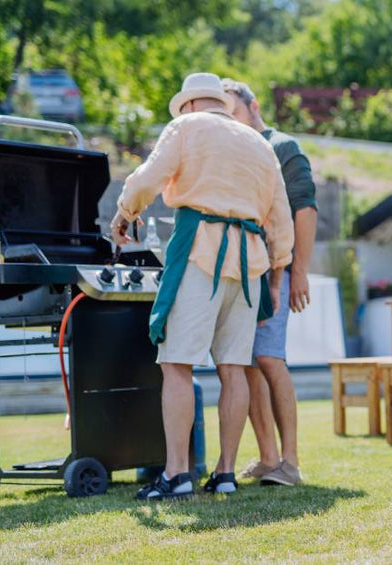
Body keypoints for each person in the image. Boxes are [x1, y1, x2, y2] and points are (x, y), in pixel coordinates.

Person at [113, 72, 293, 499]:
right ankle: (225, 473)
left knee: (177, 363)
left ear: (190, 104)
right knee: (234, 370)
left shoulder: (187, 127)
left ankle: (176, 474)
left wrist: (124, 213)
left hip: (200, 253)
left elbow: (146, 179)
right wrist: (277, 275)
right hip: (250, 266)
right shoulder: (260, 144)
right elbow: (280, 221)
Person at [220, 78, 319, 487]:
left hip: (276, 272)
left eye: (233, 111)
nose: (229, 122)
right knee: (247, 365)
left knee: (270, 358)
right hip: (243, 273)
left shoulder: (283, 147)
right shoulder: (234, 154)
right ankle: (267, 458)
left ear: (253, 105)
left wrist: (298, 271)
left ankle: (290, 462)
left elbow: (305, 212)